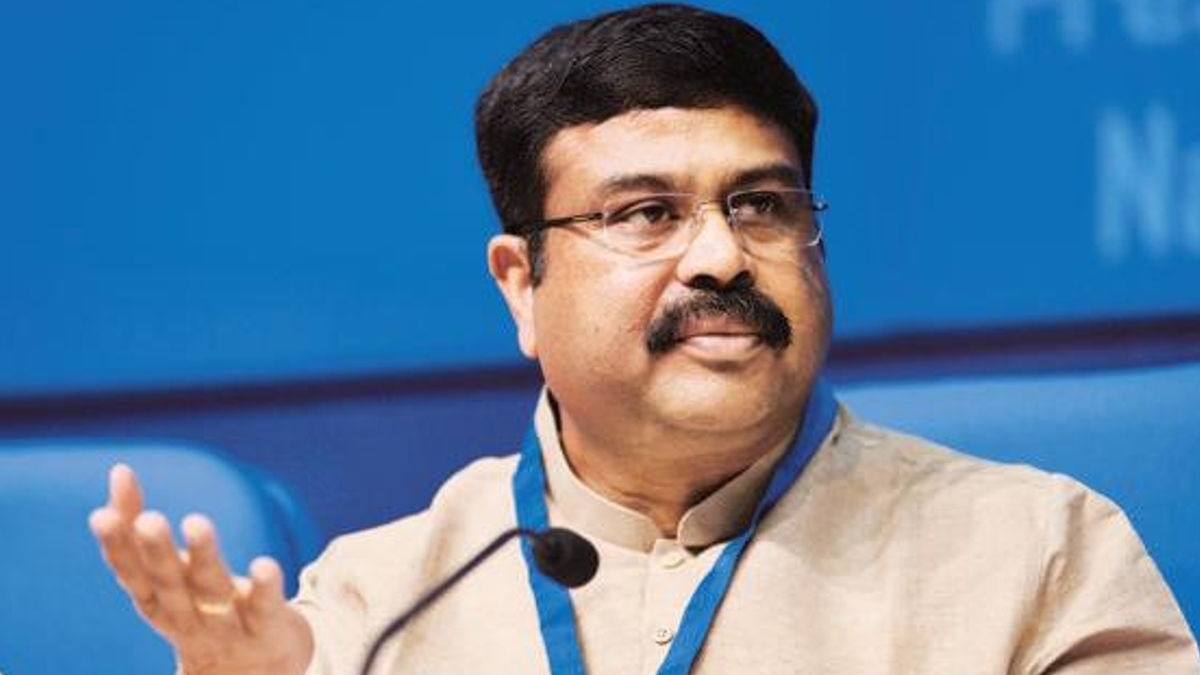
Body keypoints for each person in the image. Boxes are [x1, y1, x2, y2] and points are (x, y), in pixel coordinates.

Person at [89, 4, 1199, 674]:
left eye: (762, 205)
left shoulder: (1036, 555)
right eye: (646, 214)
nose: (722, 256)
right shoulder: (374, 607)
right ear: (522, 286)